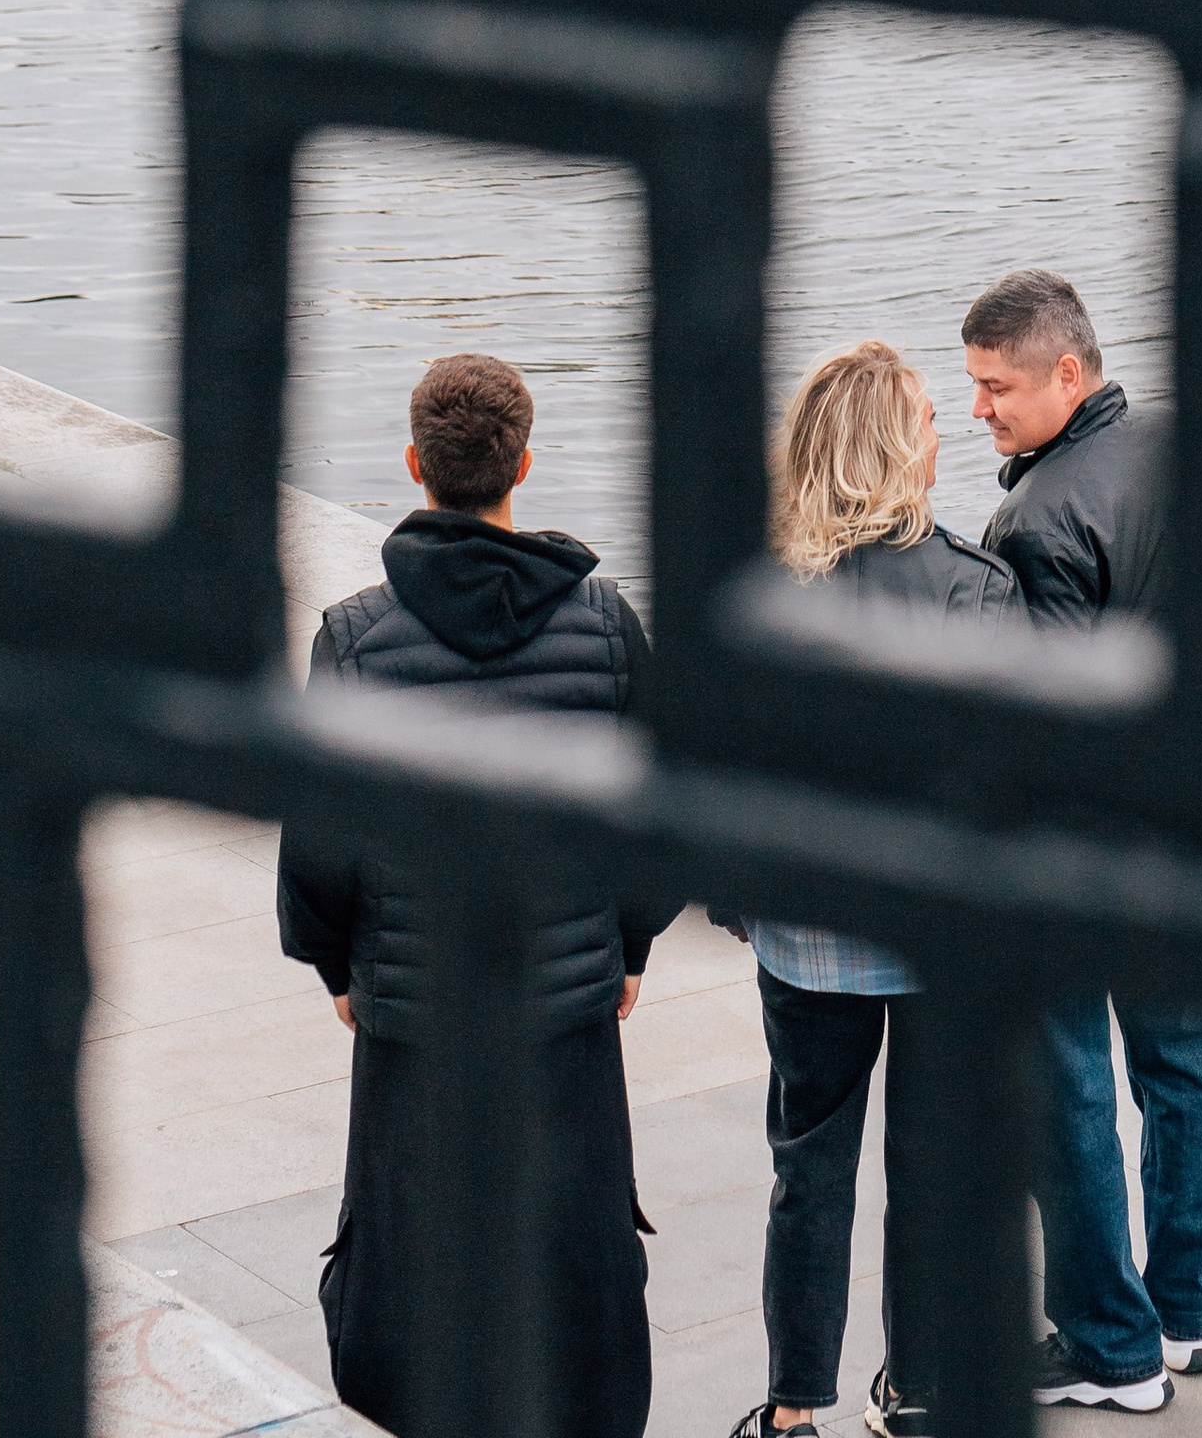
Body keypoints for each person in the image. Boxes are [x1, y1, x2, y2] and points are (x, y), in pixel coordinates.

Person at [277, 352, 661, 1438]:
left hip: (418, 1014)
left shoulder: (354, 642)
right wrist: (627, 945)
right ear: (523, 466)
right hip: (565, 1011)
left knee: (414, 1258)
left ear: (415, 465)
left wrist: (338, 965)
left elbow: (319, 843)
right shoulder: (604, 624)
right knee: (574, 1252)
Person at [728, 339, 1024, 1438]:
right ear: (895, 453)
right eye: (932, 423)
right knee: (932, 1172)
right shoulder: (976, 590)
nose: (947, 435)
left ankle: (793, 1408)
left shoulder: (762, 593)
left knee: (808, 1169)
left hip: (806, 935)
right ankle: (919, 1387)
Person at [962, 269, 1202, 1411]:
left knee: (1068, 1086)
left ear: (1067, 374)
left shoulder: (1035, 519)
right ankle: (1188, 1314)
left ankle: (1111, 1345)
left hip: (1085, 845)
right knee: (1182, 1063)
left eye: (996, 387)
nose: (978, 408)